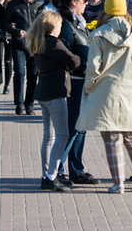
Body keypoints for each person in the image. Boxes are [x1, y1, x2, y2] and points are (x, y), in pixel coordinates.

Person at [76, 0, 132, 194]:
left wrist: (88, 88)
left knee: (111, 138)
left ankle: (118, 183)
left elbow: (93, 68)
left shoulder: (99, 34)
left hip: (107, 92)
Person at [27, 10, 80, 192]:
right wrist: (75, 58)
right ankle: (51, 176)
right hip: (56, 93)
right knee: (62, 135)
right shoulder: (54, 43)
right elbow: (74, 61)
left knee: (48, 136)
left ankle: (46, 175)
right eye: (59, 26)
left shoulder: (39, 41)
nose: (60, 28)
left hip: (43, 92)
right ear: (52, 27)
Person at [55, 0, 99, 186]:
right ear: (73, 2)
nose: (86, 2)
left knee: (81, 127)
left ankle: (76, 169)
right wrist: (82, 63)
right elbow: (62, 51)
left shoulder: (79, 21)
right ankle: (57, 170)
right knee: (72, 127)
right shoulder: (65, 23)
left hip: (84, 81)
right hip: (72, 82)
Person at [1, 0, 42, 116]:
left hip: (34, 45)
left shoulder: (39, 5)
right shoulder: (14, 5)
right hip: (19, 44)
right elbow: (4, 23)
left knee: (33, 75)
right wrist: (16, 32)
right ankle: (18, 104)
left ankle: (29, 104)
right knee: (19, 72)